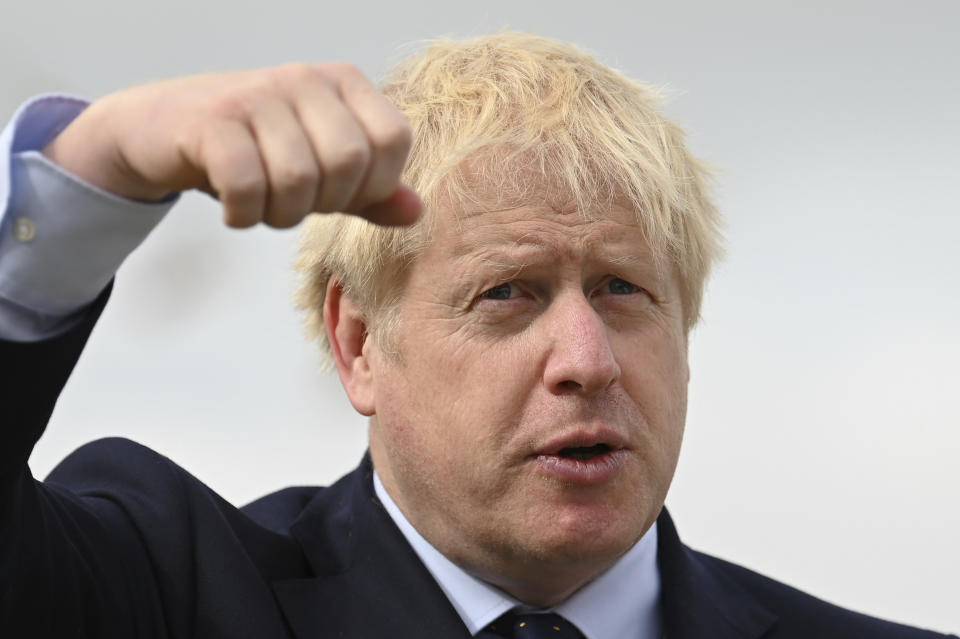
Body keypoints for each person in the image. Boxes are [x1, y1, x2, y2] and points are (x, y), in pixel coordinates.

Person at [0, 33, 953, 639]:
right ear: (359, 343)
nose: (587, 360)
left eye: (624, 289)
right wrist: (93, 174)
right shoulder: (162, 591)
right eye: (507, 293)